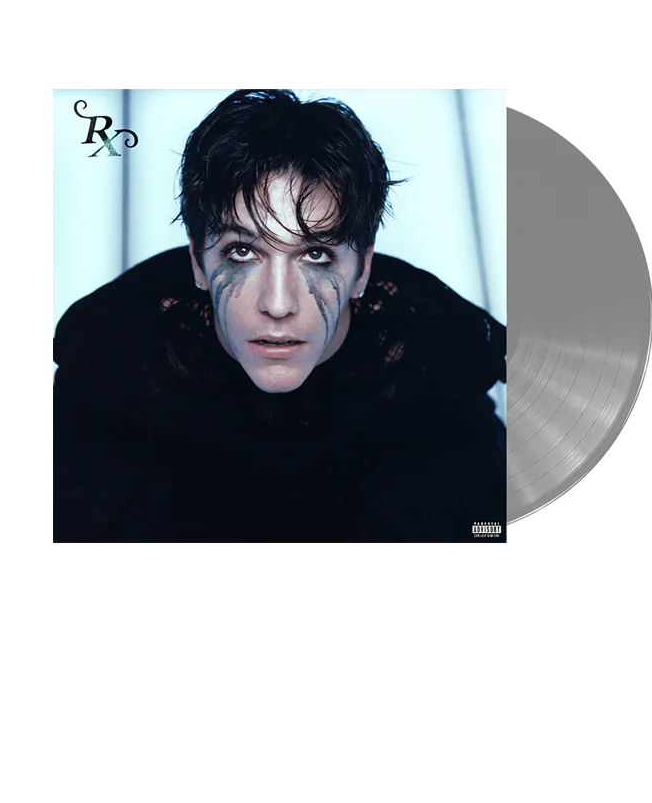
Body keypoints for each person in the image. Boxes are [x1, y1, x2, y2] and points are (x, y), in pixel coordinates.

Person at [53, 88, 505, 544]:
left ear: (364, 269)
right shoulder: (117, 364)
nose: (277, 303)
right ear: (197, 264)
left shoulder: (436, 364)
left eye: (316, 254)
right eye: (242, 251)